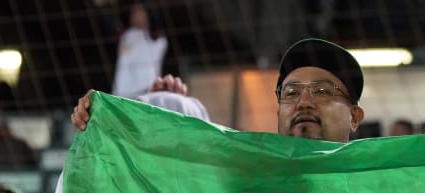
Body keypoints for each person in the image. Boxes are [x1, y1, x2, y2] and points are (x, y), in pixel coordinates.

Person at [74, 38, 366, 143]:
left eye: (322, 91)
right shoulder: (244, 176)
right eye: (290, 92)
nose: (303, 101)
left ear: (354, 116)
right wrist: (166, 113)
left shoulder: (384, 190)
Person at [111, 2, 168, 99]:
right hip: (123, 92)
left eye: (140, 11)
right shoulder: (126, 35)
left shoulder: (157, 38)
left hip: (145, 91)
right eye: (134, 12)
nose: (136, 15)